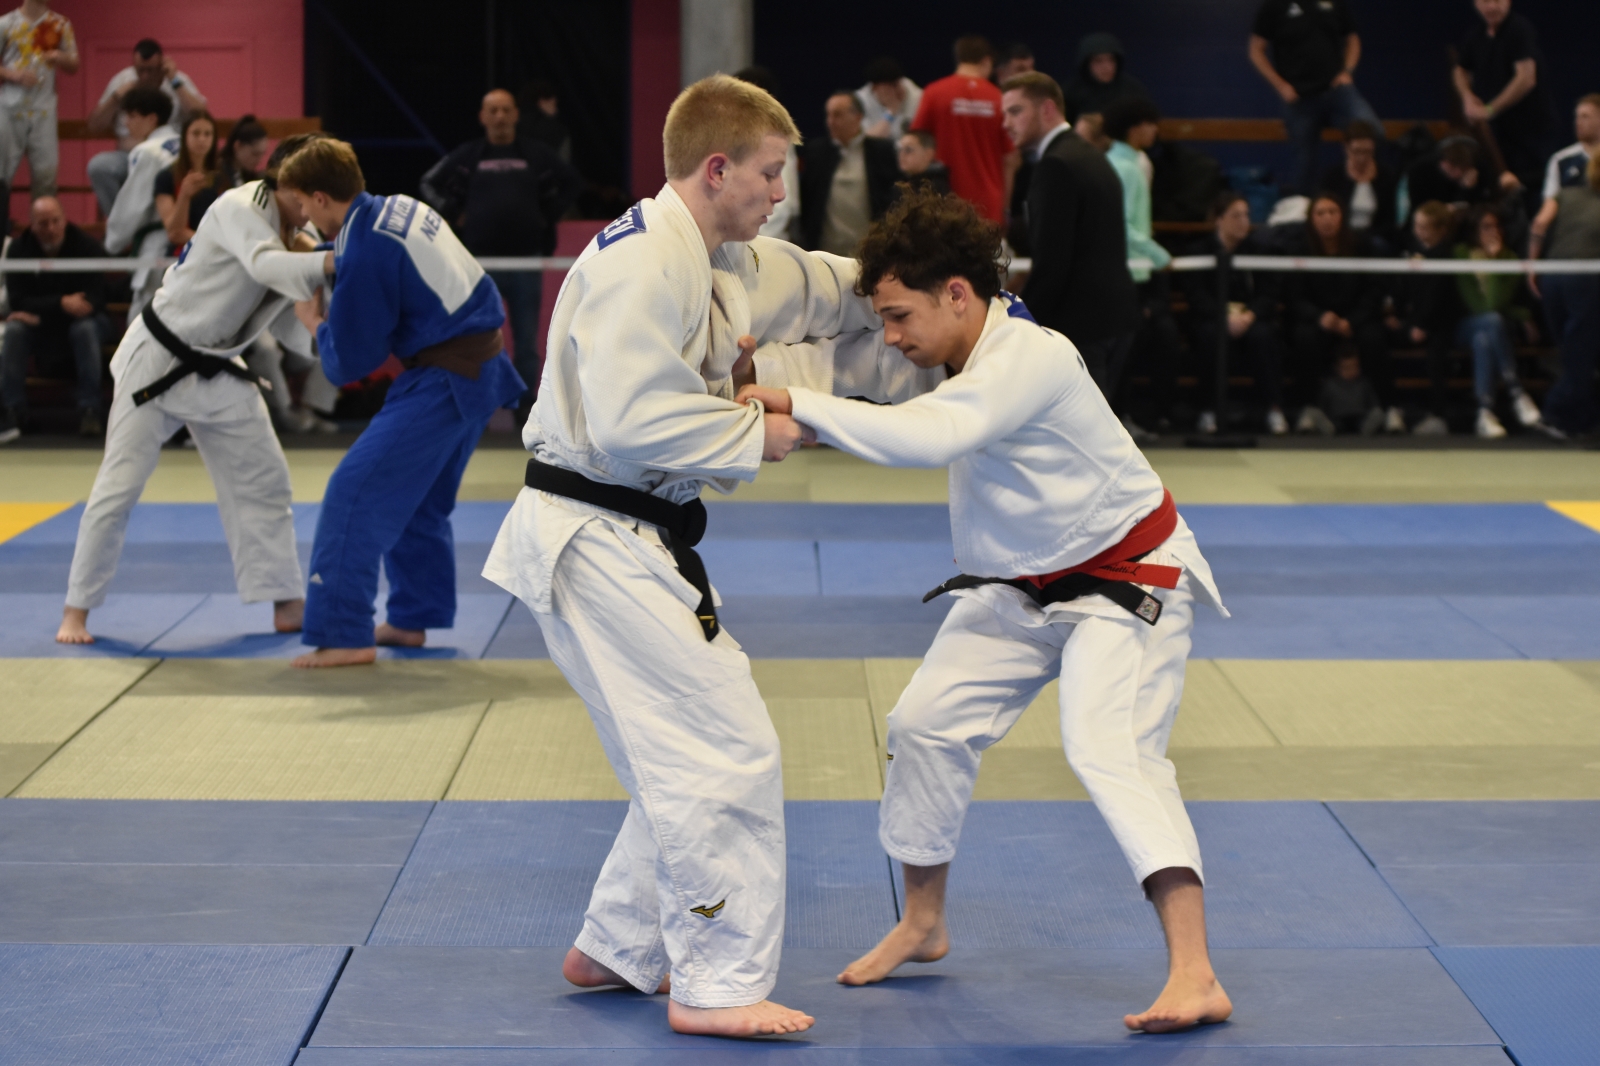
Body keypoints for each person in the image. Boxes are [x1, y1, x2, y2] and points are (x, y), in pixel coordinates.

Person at [737, 186, 1232, 1034]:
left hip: (1127, 579)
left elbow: (928, 436)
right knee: (925, 725)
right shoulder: (948, 350)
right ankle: (923, 923)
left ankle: (1197, 973)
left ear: (958, 294)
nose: (892, 336)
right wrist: (753, 380)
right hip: (1021, 585)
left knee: (1109, 748)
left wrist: (797, 406)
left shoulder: (1028, 357)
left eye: (900, 316)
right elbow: (848, 372)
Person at [480, 74, 879, 1038]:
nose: (780, 192)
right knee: (725, 748)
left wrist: (913, 279)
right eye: (770, 173)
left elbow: (817, 282)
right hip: (594, 534)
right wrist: (754, 433)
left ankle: (618, 946)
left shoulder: (716, 253)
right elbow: (629, 418)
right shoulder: (641, 263)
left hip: (623, 535)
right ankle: (717, 983)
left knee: (674, 754)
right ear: (718, 169)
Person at [54, 135, 329, 645]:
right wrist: (331, 261)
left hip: (219, 366)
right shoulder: (239, 207)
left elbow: (288, 318)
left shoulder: (304, 233)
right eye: (312, 194)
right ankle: (76, 610)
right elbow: (266, 266)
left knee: (265, 478)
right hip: (157, 361)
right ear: (289, 185)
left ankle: (286, 602)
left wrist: (325, 336)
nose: (317, 206)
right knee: (118, 488)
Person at [277, 139, 523, 668]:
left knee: (352, 494)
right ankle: (413, 618)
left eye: (301, 204)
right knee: (417, 502)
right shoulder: (399, 207)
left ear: (320, 197)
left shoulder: (365, 247)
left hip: (446, 379)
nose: (302, 215)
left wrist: (313, 322)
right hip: (479, 368)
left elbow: (350, 361)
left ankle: (344, 634)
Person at [420, 89, 582, 409]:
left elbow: (572, 182)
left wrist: (547, 215)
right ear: (482, 117)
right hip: (480, 266)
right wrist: (453, 212)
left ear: (516, 115)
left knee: (527, 344)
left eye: (506, 110)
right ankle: (478, 405)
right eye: (493, 110)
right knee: (476, 341)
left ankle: (524, 410)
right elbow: (429, 183)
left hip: (527, 264)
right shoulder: (469, 155)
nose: (500, 117)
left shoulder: (536, 154)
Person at [1000, 72, 1138, 397]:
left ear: (1047, 109)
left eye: (1016, 111)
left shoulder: (1057, 165)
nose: (1006, 123)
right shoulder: (1089, 155)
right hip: (1112, 320)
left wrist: (1021, 326)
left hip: (1081, 326)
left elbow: (1052, 263)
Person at [1288, 193, 1401, 432]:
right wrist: (1320, 316)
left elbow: (1374, 289)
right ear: (1311, 219)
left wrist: (1352, 320)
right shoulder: (1299, 249)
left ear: (1342, 216)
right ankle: (1309, 409)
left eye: (1333, 212)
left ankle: (1388, 408)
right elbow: (1294, 296)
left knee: (1374, 338)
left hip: (1356, 318)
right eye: (1320, 213)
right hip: (1319, 319)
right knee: (1303, 337)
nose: (1327, 218)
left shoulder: (1362, 246)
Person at [1102, 96, 1180, 437]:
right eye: (1149, 123)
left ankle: (1115, 422)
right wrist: (1160, 256)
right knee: (1119, 357)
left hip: (1123, 272)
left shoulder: (1114, 162)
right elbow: (1121, 225)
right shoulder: (1128, 169)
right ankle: (1112, 425)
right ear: (1134, 129)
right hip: (1126, 274)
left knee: (1121, 355)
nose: (1155, 130)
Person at [0, 196, 108, 440]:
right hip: (42, 325)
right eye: (42, 223)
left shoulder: (87, 246)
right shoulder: (19, 249)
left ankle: (90, 410)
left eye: (55, 221)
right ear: (31, 225)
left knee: (85, 329)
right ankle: (13, 411)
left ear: (64, 219)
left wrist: (44, 313)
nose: (50, 228)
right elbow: (18, 301)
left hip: (80, 323)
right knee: (15, 329)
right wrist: (61, 302)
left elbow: (95, 300)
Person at [1249, 0, 1382, 196]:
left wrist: (1347, 72)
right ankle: (1304, 206)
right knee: (1305, 163)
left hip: (1337, 93)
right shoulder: (1275, 6)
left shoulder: (1335, 4)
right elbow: (1256, 50)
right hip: (1300, 99)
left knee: (1373, 131)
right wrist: (1280, 86)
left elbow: (1353, 40)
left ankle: (1370, 195)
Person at [1183, 191, 1288, 436]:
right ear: (1219, 219)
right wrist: (1224, 316)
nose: (1243, 222)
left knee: (1263, 336)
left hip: (1250, 319)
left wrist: (1250, 315)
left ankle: (1274, 409)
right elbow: (1196, 296)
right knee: (1209, 337)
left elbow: (1268, 293)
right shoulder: (1198, 250)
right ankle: (1208, 410)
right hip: (1213, 319)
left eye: (1246, 215)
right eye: (1236, 216)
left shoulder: (1258, 250)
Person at [85, 38, 206, 216]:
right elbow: (94, 125)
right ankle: (119, 221)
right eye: (140, 70)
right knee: (99, 166)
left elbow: (201, 116)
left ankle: (165, 220)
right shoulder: (123, 80)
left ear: (162, 65)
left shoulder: (177, 80)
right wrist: (116, 97)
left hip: (167, 157)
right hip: (128, 157)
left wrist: (174, 81)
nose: (145, 76)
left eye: (151, 70)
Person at [1453, 204, 1542, 437]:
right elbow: (1479, 307)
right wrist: (1521, 314)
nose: (1493, 232)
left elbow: (1498, 303)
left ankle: (1484, 412)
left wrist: (1495, 260)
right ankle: (1517, 392)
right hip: (1465, 325)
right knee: (1490, 321)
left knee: (1484, 339)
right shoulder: (1461, 254)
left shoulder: (1509, 257)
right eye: (1486, 227)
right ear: (1474, 230)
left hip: (1492, 328)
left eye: (1496, 226)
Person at [1527, 153, 1600, 437]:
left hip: (1553, 278)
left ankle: (1581, 421)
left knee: (1574, 353)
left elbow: (1539, 224)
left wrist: (1532, 265)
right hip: (1585, 280)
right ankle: (1553, 414)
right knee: (1580, 356)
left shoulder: (1564, 195)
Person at [1453, 0, 1555, 199]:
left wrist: (1490, 109)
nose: (1492, 7)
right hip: (1499, 135)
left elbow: (1526, 78)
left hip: (1530, 134)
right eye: (1485, 1)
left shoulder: (1519, 29)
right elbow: (1460, 69)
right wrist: (1467, 97)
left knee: (1526, 191)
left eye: (1497, 1)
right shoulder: (1476, 35)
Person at [912, 35, 1018, 224]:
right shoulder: (999, 98)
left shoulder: (934, 93)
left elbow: (916, 146)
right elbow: (1010, 159)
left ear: (958, 58)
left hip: (942, 201)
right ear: (987, 61)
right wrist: (1005, 208)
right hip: (988, 205)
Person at [1390, 201, 1465, 436]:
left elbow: (1438, 298)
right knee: (1379, 339)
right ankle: (1390, 409)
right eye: (1416, 226)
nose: (1418, 232)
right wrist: (1398, 316)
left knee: (1436, 358)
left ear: (1441, 230)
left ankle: (1438, 415)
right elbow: (1403, 289)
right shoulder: (1411, 250)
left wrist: (1423, 325)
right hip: (1413, 321)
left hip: (1441, 324)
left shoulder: (1448, 255)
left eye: (1425, 227)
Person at [104, 87, 180, 317]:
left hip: (157, 242)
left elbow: (134, 205)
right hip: (188, 240)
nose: (126, 122)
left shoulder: (148, 151)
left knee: (142, 318)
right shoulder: (184, 143)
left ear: (152, 119)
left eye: (132, 115)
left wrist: (113, 241)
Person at [0, 0, 77, 217]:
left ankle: (44, 229)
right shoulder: (6, 23)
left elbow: (74, 64)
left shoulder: (60, 24)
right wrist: (13, 75)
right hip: (8, 109)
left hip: (44, 109)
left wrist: (59, 57)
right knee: (1, 175)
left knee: (46, 176)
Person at [800, 91, 899, 255]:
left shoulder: (881, 152)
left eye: (837, 115)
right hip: (825, 251)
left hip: (870, 249)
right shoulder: (816, 152)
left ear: (858, 117)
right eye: (828, 115)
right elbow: (807, 202)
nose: (830, 122)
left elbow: (891, 200)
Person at [734, 66, 800, 241]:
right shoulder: (744, 135)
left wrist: (754, 244)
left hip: (767, 239)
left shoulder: (775, 136)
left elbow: (784, 202)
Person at [1321, 120, 1399, 250]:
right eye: (1356, 151)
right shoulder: (1332, 177)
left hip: (1375, 238)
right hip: (1340, 236)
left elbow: (1390, 220)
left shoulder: (1387, 176)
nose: (1362, 158)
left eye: (1367, 152)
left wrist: (1365, 237)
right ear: (1345, 147)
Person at [154, 110, 219, 250]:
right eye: (196, 133)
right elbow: (174, 232)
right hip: (183, 252)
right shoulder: (167, 177)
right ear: (184, 136)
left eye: (207, 134)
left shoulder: (222, 176)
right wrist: (184, 194)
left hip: (218, 249)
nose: (202, 139)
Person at [1062, 32, 1150, 126]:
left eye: (1111, 60)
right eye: (1098, 61)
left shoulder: (1132, 90)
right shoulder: (1071, 93)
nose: (1106, 67)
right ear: (1086, 64)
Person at [1542, 94, 1600, 203]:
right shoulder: (1561, 160)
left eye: (1585, 116)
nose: (1578, 122)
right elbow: (1550, 201)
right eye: (1577, 117)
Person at [857, 57, 922, 141]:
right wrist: (891, 112)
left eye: (898, 84)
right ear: (875, 88)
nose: (898, 90)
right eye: (891, 87)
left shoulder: (918, 96)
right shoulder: (860, 101)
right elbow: (866, 142)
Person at [517, 79, 571, 161]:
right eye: (554, 104)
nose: (557, 109)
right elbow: (563, 161)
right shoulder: (557, 130)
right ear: (541, 102)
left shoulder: (512, 126)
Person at [218, 114, 270, 188]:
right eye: (255, 154)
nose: (259, 160)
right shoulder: (218, 174)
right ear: (238, 146)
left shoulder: (251, 176)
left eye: (262, 154)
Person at [896, 129, 950, 196]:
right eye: (899, 149)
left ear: (928, 154)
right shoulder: (902, 182)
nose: (902, 154)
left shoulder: (935, 189)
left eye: (908, 150)